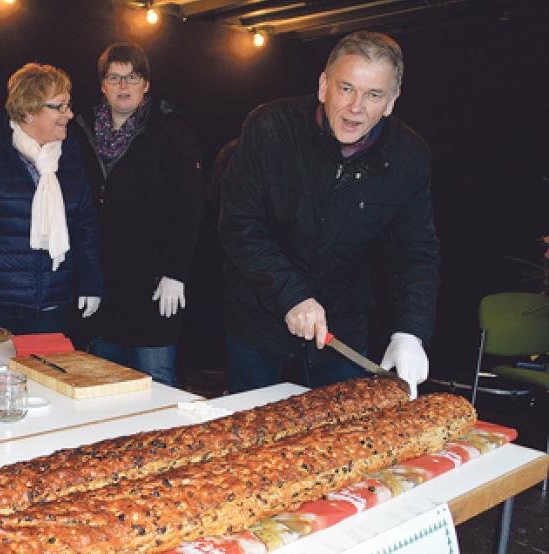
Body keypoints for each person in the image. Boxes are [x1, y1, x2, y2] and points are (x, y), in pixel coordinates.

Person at [217, 31, 439, 399]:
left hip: (343, 326)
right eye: (346, 88)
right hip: (259, 320)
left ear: (391, 102)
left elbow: (416, 252)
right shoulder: (270, 127)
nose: (355, 108)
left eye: (373, 95)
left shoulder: (410, 155)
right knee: (254, 444)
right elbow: (239, 225)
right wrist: (291, 295)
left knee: (344, 436)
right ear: (323, 86)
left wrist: (410, 331)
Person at [75, 42, 204, 387]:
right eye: (114, 78)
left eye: (132, 77)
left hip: (154, 286)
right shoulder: (81, 130)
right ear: (102, 85)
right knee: (103, 382)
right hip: (103, 285)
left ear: (146, 84)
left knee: (157, 379)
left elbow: (189, 206)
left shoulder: (171, 132)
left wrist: (175, 272)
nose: (123, 86)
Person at [0, 63, 103, 335]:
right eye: (60, 106)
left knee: (45, 377)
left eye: (68, 105)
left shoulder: (71, 152)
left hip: (51, 303)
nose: (70, 114)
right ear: (29, 112)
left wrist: (91, 281)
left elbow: (85, 222)